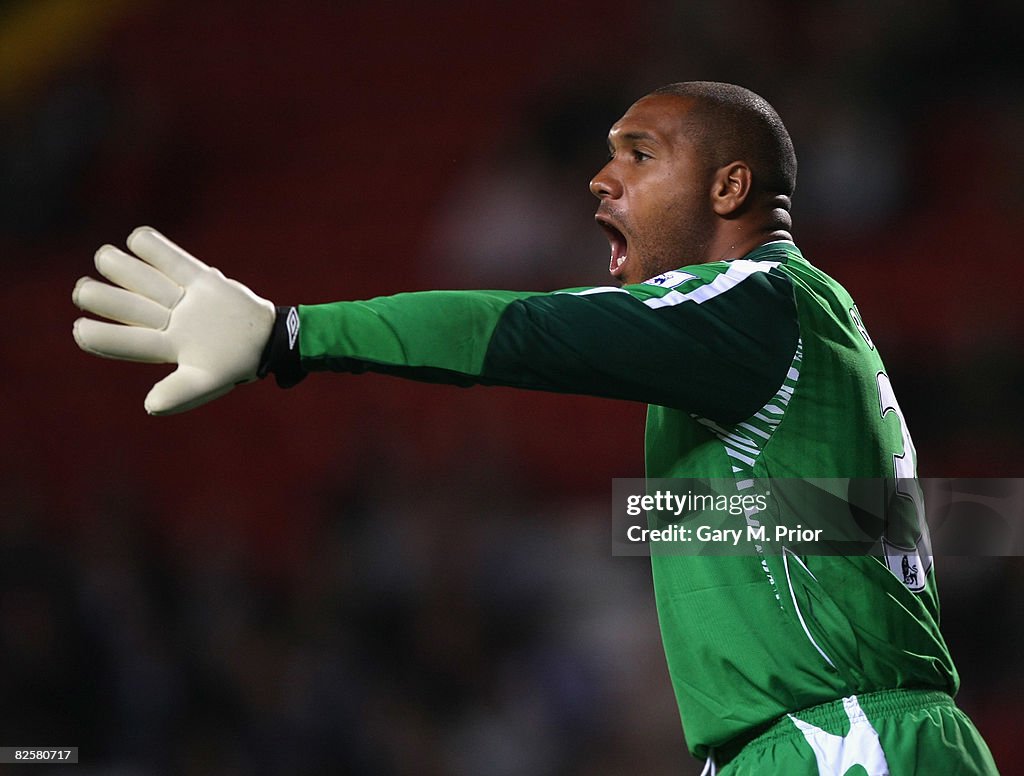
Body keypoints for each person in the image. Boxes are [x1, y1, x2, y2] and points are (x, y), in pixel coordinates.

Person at [72, 82, 999, 775]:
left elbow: (519, 332)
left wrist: (292, 334)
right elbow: (835, 531)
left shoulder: (754, 302)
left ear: (730, 186)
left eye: (639, 155)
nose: (600, 178)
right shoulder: (782, 340)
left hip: (842, 747)